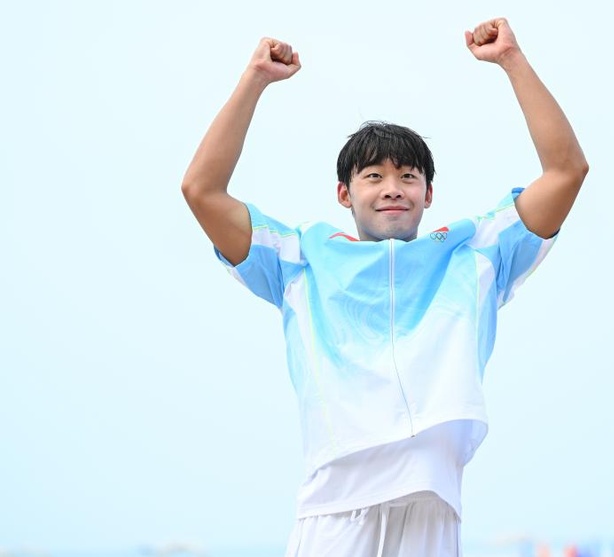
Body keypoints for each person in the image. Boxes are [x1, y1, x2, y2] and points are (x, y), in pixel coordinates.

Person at [181, 16, 588, 557]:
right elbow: (201, 189)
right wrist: (255, 78)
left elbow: (566, 171)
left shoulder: (477, 254)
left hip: (433, 505)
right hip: (335, 508)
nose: (392, 189)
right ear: (344, 194)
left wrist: (512, 61)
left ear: (429, 193)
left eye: (408, 177)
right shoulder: (298, 258)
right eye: (373, 176)